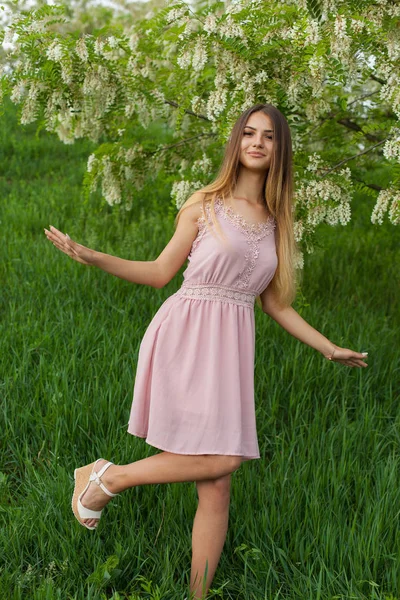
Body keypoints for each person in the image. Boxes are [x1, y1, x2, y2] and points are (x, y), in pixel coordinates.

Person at [44, 103, 368, 600]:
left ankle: (196, 594)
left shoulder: (279, 221)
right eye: (249, 133)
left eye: (269, 137)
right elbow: (158, 273)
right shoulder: (205, 203)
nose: (257, 142)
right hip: (187, 333)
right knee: (226, 459)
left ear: (280, 149)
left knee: (217, 483)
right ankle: (111, 478)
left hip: (232, 346)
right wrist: (93, 256)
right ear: (236, 143)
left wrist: (328, 347)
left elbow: (276, 304)